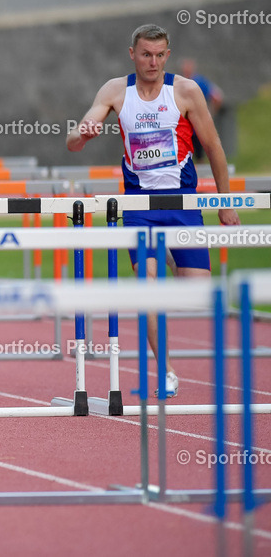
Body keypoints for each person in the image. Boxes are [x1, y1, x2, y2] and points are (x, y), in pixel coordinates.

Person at [66, 24, 239, 397]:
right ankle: (166, 371)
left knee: (195, 292)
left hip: (181, 203)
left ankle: (175, 263)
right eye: (146, 54)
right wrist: (83, 133)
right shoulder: (116, 90)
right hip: (138, 207)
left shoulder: (186, 91)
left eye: (160, 55)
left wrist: (225, 202)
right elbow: (73, 142)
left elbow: (215, 148)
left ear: (168, 55)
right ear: (133, 53)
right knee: (147, 289)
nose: (153, 62)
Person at [180, 58, 224, 162]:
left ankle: (202, 175)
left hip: (197, 125)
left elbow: (217, 97)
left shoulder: (200, 82)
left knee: (200, 155)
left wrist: (210, 114)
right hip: (184, 126)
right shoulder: (180, 82)